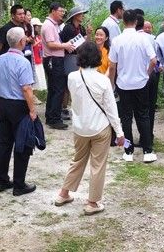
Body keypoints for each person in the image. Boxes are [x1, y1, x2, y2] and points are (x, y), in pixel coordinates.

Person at [56, 44, 121, 215]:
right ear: (98, 58)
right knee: (98, 166)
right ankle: (92, 202)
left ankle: (63, 193)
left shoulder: (72, 77)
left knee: (77, 160)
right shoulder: (103, 80)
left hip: (80, 127)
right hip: (100, 128)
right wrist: (119, 132)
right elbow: (111, 109)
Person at [0, 28, 39, 196]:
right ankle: (19, 184)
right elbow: (26, 88)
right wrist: (32, 109)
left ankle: (2, 180)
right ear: (21, 42)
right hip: (19, 105)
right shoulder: (23, 62)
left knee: (4, 143)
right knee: (22, 143)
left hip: (4, 103)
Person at [109, 10, 160, 163]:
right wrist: (147, 74)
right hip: (141, 82)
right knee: (143, 115)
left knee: (125, 118)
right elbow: (153, 60)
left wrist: (112, 84)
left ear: (123, 21)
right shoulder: (143, 38)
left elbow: (112, 66)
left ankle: (128, 151)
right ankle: (147, 151)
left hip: (123, 83)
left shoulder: (117, 40)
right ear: (137, 22)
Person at [40, 5, 80, 130]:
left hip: (54, 59)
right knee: (58, 89)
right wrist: (65, 45)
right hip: (53, 59)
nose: (62, 13)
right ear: (53, 11)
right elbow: (51, 44)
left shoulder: (53, 25)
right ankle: (54, 119)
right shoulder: (48, 25)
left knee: (54, 89)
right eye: (60, 11)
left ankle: (50, 116)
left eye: (63, 11)